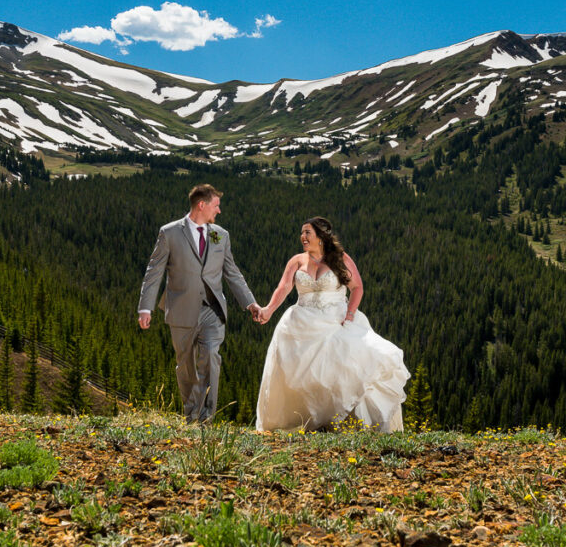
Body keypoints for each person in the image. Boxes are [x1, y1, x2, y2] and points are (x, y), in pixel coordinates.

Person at [254, 217, 409, 432]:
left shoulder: (340, 258)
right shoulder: (297, 261)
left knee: (349, 367)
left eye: (307, 232)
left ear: (320, 236)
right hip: (301, 322)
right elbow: (283, 287)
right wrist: (269, 310)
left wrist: (350, 314)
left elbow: (357, 287)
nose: (303, 237)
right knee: (300, 376)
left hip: (336, 319)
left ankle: (346, 422)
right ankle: (304, 420)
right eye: (302, 233)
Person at [138, 184, 261, 423]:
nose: (219, 210)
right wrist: (145, 307)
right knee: (185, 365)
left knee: (211, 357)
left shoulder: (220, 235)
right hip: (181, 309)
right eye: (216, 205)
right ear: (201, 205)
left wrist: (250, 303)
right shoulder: (170, 233)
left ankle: (206, 419)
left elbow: (232, 272)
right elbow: (154, 271)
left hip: (212, 310)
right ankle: (191, 415)